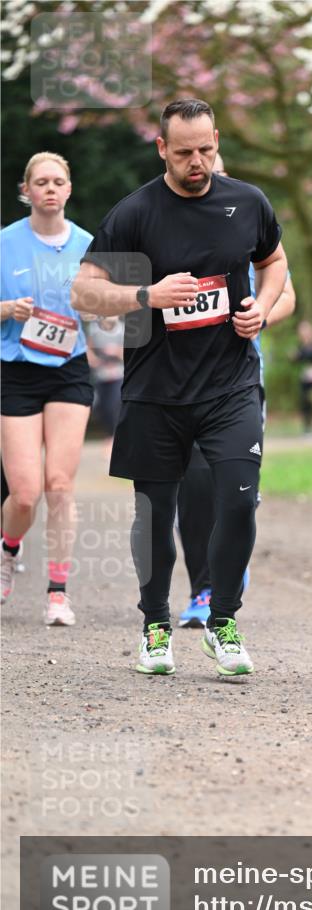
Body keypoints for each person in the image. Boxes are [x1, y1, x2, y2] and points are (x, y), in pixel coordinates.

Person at [71, 98, 287, 677]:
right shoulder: (136, 213)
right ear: (162, 148)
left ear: (217, 140)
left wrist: (260, 310)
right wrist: (146, 296)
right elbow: (83, 292)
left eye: (206, 150)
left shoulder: (248, 202)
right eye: (185, 152)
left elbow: (274, 264)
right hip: (155, 391)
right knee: (154, 514)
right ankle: (154, 626)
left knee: (239, 501)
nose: (198, 162)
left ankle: (222, 621)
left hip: (231, 384)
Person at [176, 151, 296, 627]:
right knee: (193, 484)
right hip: (180, 383)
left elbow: (285, 290)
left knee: (233, 487)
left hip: (240, 379)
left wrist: (260, 312)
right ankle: (203, 590)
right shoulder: (166, 228)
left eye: (220, 172)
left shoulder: (250, 223)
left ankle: (225, 571)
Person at [1, 152, 94, 625]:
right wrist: (6, 309)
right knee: (25, 494)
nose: (50, 189)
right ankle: (8, 548)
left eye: (59, 180)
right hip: (15, 370)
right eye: (41, 182)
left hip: (69, 369)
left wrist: (104, 311)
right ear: (27, 190)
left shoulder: (88, 245)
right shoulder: (5, 243)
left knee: (59, 484)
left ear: (69, 188)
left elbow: (107, 310)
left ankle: (58, 592)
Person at [86, 313, 125, 455]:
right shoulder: (94, 329)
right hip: (101, 376)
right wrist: (94, 361)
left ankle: (114, 439)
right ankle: (109, 437)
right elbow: (88, 347)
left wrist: (115, 351)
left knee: (113, 407)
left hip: (117, 375)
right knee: (101, 408)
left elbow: (129, 352)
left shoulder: (123, 329)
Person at [291, 319, 312, 434]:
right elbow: (297, 359)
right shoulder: (301, 346)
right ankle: (308, 428)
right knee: (305, 402)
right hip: (305, 378)